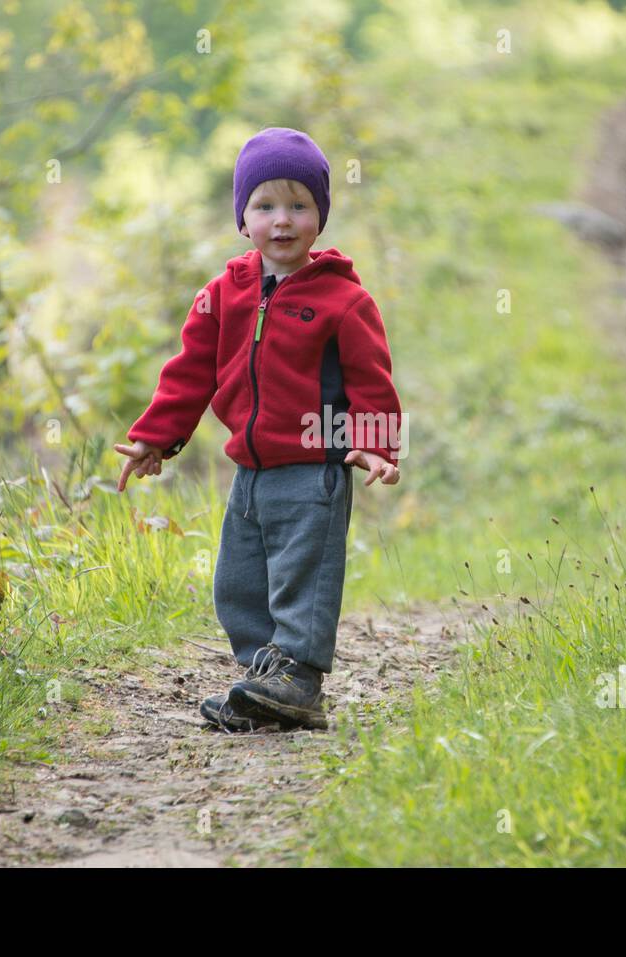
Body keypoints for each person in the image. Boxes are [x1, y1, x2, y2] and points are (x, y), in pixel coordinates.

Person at [114, 127, 402, 732]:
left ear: (320, 215)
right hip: (249, 471)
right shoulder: (223, 295)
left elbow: (370, 377)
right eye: (265, 205)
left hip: (314, 468)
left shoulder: (343, 301)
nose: (282, 220)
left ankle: (298, 678)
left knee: (302, 575)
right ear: (242, 217)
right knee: (238, 581)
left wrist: (374, 444)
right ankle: (262, 679)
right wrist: (155, 438)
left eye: (300, 205)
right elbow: (189, 374)